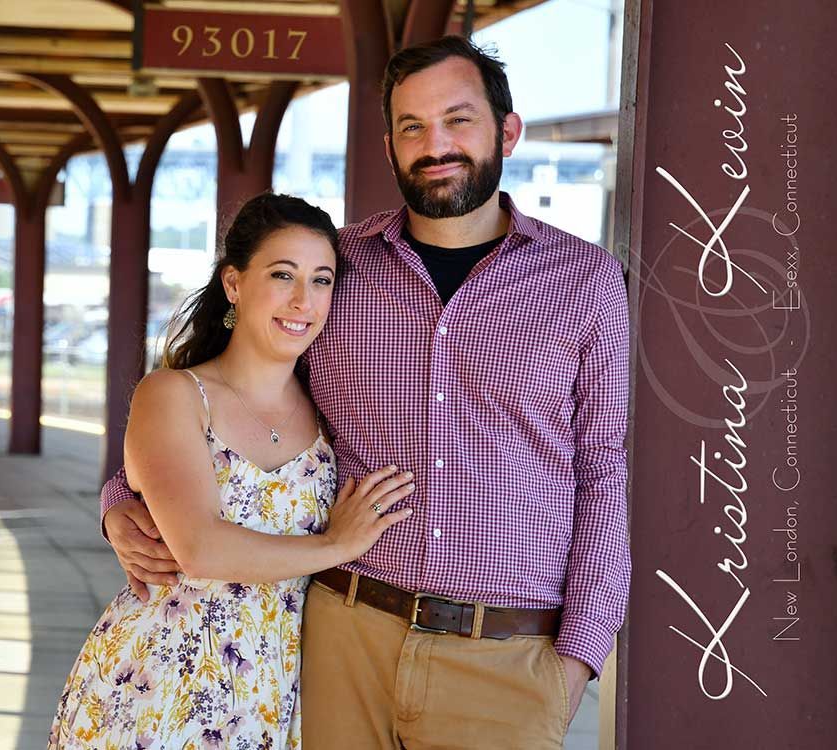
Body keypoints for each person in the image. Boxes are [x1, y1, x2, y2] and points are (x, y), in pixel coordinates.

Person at [102, 37, 630, 748]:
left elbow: (603, 472)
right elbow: (232, 396)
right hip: (343, 643)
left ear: (508, 130)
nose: (434, 144)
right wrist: (122, 502)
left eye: (458, 119)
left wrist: (574, 666)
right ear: (388, 146)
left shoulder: (584, 282)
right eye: (412, 126)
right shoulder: (335, 271)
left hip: (507, 661)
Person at [48, 194, 416, 747]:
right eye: (282, 275)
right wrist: (336, 545)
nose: (303, 300)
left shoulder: (333, 405)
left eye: (322, 280)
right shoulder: (175, 394)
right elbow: (199, 547)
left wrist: (115, 501)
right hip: (160, 683)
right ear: (234, 284)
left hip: (271, 691)